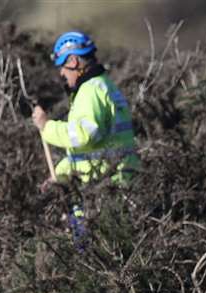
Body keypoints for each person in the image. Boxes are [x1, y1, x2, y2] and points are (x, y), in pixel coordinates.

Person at [31, 30, 140, 243]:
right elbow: (94, 149)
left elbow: (83, 136)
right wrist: (61, 173)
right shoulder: (103, 85)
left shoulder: (90, 91)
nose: (62, 73)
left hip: (103, 190)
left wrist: (47, 127)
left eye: (62, 66)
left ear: (73, 61)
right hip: (114, 184)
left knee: (93, 256)